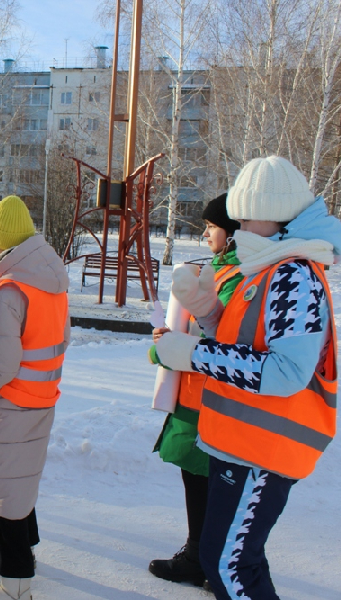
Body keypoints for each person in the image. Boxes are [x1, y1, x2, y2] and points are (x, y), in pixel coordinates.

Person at [153, 156, 340, 599]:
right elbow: (247, 342)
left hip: (264, 447)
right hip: (241, 442)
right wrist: (207, 311)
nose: (235, 228)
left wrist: (194, 354)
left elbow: (287, 371)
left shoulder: (294, 274)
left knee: (228, 566)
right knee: (236, 560)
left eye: (243, 217)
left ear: (270, 215)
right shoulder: (272, 266)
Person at [0, 195, 70, 600]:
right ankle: (14, 546)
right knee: (20, 478)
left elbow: (0, 366)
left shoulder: (11, 291)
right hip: (42, 395)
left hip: (10, 401)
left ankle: (16, 581)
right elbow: (62, 338)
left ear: (1, 243)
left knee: (7, 485)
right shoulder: (51, 279)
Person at [147, 194, 243, 588]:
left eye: (211, 226)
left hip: (205, 398)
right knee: (201, 478)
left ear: (233, 231)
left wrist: (165, 346)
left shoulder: (233, 277)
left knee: (204, 479)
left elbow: (213, 340)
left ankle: (201, 558)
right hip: (200, 395)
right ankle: (206, 557)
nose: (205, 234)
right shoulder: (224, 271)